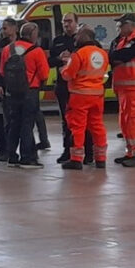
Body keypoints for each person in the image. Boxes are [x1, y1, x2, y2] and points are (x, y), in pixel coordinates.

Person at [0, 21, 50, 169]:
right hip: (30, 92)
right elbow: (45, 73)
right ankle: (27, 157)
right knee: (27, 125)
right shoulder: (37, 51)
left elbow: (2, 71)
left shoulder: (8, 49)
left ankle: (12, 156)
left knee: (14, 124)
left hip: (12, 93)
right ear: (33, 34)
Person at [58, 27, 109, 170]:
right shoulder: (102, 54)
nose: (75, 37)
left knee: (78, 127)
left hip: (80, 95)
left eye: (78, 34)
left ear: (85, 36)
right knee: (97, 126)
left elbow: (69, 75)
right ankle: (101, 159)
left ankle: (76, 159)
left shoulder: (79, 54)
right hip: (97, 95)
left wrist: (63, 68)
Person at [108, 13, 135, 167]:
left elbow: (123, 55)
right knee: (125, 121)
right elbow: (112, 55)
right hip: (125, 88)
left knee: (134, 120)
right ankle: (131, 152)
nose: (118, 28)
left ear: (130, 25)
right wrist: (116, 56)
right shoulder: (123, 40)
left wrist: (117, 57)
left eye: (121, 25)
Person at [48, 12, 82, 165]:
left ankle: (85, 152)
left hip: (80, 87)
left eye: (69, 21)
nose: (66, 24)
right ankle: (67, 150)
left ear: (76, 23)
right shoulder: (58, 41)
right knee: (66, 121)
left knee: (81, 121)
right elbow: (49, 61)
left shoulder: (82, 40)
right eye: (64, 22)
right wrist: (58, 59)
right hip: (63, 86)